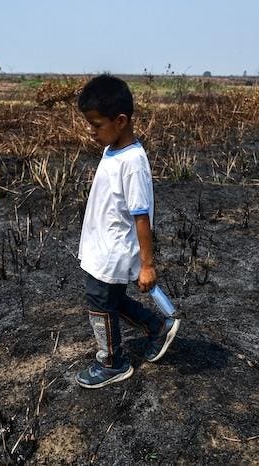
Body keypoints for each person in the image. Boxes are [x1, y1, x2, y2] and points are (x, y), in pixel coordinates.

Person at [75, 74, 180, 389]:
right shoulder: (113, 149)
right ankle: (156, 326)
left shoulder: (132, 162)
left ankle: (112, 363)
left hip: (114, 251)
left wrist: (147, 265)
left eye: (96, 125)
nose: (91, 131)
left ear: (120, 121)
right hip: (102, 247)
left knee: (100, 301)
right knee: (112, 300)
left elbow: (141, 217)